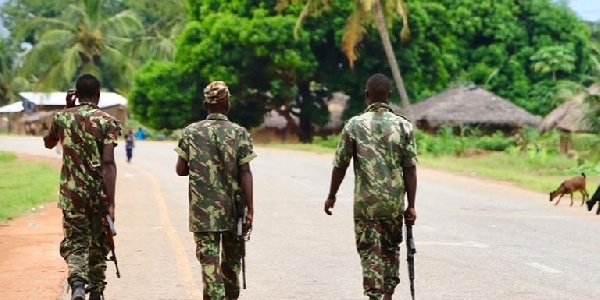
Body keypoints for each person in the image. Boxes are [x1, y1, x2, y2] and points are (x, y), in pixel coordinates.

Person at [324, 74, 418, 300]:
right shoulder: (404, 126)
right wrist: (411, 205)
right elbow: (410, 168)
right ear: (390, 96)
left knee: (370, 253)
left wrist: (331, 196)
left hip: (366, 206)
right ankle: (388, 296)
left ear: (367, 96)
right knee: (390, 250)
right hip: (394, 204)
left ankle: (375, 296)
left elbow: (340, 165)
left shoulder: (354, 126)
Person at [43, 74, 122, 300]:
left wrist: (67, 109)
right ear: (98, 95)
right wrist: (112, 203)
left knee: (76, 243)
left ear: (76, 94)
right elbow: (108, 162)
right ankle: (96, 292)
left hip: (71, 196)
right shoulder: (107, 121)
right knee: (99, 244)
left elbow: (49, 142)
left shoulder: (61, 118)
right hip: (98, 196)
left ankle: (77, 282)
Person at [175, 81, 256, 300]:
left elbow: (180, 170)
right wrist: (250, 209)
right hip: (233, 209)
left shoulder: (190, 132)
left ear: (205, 104)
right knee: (231, 264)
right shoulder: (239, 132)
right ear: (227, 105)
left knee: (210, 266)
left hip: (202, 212)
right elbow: (245, 172)